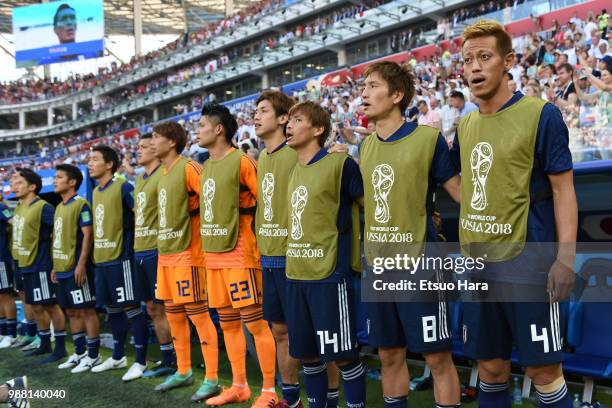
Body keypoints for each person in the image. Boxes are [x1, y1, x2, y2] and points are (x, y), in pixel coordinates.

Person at [452, 20, 577, 408]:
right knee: (489, 368)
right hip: (478, 265)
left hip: (529, 261)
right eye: (468, 59)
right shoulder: (465, 124)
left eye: (484, 57)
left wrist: (565, 259)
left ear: (507, 62)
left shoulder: (542, 115)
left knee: (543, 372)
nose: (474, 66)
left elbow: (563, 190)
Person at [359, 61, 462, 408]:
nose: (364, 93)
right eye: (363, 86)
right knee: (389, 355)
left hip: (420, 263)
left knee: (436, 359)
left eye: (373, 86)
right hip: (378, 266)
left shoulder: (427, 138)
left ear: (397, 95)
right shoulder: (367, 147)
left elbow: (459, 192)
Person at [284, 101, 366, 408]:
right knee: (307, 355)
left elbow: (370, 204)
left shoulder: (340, 164)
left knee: (343, 356)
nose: (289, 125)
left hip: (329, 275)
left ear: (318, 129)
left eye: (298, 119)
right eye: (289, 120)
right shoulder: (295, 169)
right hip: (296, 274)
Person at [197, 104, 277, 408]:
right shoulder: (206, 166)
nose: (199, 129)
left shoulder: (243, 162)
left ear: (219, 129)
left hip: (241, 254)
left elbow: (266, 204)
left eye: (204, 124)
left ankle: (269, 390)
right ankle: (240, 386)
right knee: (228, 324)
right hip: (213, 256)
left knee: (256, 323)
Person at [150, 121, 220, 403]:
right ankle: (183, 370)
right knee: (173, 314)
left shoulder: (189, 167)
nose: (152, 142)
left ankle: (212, 378)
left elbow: (212, 199)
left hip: (188, 254)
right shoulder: (163, 173)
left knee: (198, 315)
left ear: (171, 141)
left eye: (156, 137)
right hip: (165, 255)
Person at [253, 90, 305, 408]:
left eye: (263, 111)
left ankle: (325, 399)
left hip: (294, 257)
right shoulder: (262, 156)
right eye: (255, 111)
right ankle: (292, 399)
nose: (256, 116)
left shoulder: (296, 153)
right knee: (280, 331)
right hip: (269, 256)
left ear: (283, 118)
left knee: (310, 335)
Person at [87, 145, 150, 379]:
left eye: (94, 159)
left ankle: (141, 361)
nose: (90, 164)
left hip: (120, 259)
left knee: (131, 308)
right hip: (102, 260)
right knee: (112, 310)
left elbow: (139, 212)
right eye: (89, 160)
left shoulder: (124, 186)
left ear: (109, 164)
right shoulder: (95, 191)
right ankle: (117, 356)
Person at [132, 133, 177, 380]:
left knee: (167, 307)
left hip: (158, 250)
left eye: (144, 147)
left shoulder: (165, 174)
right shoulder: (140, 179)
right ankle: (168, 357)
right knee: (151, 307)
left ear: (156, 149)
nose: (138, 151)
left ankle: (180, 359)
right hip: (140, 249)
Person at [10, 168, 67, 363]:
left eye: (19, 183)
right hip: (22, 263)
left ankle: (60, 348)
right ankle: (44, 343)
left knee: (50, 305)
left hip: (40, 263)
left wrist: (55, 262)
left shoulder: (44, 207)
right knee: (35, 306)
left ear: (32, 186)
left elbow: (58, 232)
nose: (14, 186)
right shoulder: (19, 207)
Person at [50, 164, 101, 373]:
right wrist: (55, 266)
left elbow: (88, 235)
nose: (55, 180)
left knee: (86, 310)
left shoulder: (81, 204)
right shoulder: (59, 206)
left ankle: (94, 355)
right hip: (61, 268)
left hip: (77, 268)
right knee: (71, 311)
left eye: (59, 177)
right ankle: (79, 352)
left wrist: (81, 264)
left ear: (72, 182)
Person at [0, 195, 17, 349]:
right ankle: (3, 332)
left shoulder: (1, 207)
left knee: (5, 295)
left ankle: (11, 334)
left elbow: (14, 224)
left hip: (1, 258)